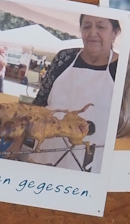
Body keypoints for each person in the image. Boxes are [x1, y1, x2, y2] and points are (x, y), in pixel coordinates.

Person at [29, 14, 120, 169]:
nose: (92, 33)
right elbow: (38, 105)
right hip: (44, 154)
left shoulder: (124, 69)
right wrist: (16, 145)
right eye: (86, 26)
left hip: (90, 163)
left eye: (101, 26)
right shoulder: (64, 58)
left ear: (115, 32)